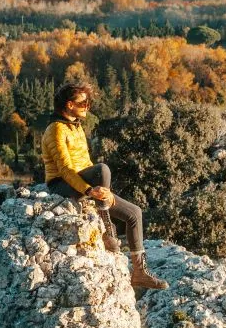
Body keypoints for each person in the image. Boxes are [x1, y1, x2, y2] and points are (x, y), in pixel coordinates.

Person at [41, 83, 167, 291]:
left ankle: (139, 272)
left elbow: (85, 164)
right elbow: (65, 170)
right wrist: (89, 191)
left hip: (84, 185)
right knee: (103, 169)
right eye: (83, 103)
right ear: (70, 104)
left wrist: (100, 191)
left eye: (88, 102)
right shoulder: (55, 129)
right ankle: (107, 228)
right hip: (61, 186)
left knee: (134, 213)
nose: (87, 106)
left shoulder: (76, 126)